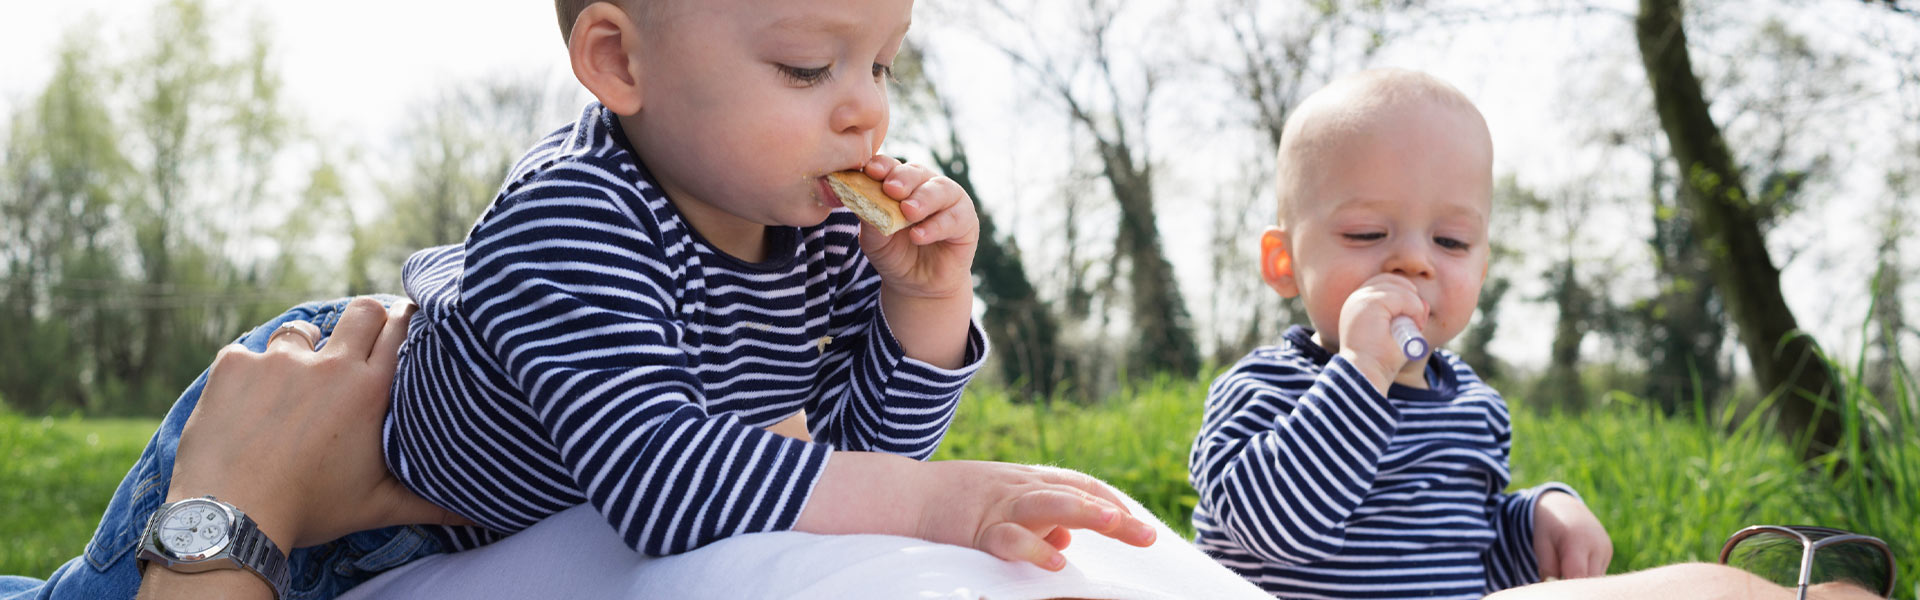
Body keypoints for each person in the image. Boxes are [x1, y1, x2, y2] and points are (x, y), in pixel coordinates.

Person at [379, 0, 1151, 572]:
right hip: (385, 538)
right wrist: (928, 504)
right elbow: (662, 482)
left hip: (559, 535)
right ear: (619, 61)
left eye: (882, 65)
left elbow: (855, 459)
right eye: (808, 67)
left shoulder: (815, 223)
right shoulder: (573, 215)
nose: (869, 111)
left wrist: (925, 303)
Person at [1184, 68, 1613, 598]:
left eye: (1451, 241)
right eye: (1366, 232)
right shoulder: (1263, 388)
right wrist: (1363, 373)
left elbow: (1467, 556)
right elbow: (1275, 530)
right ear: (1284, 261)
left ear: (1481, 269)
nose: (1413, 260)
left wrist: (1537, 522)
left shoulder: (1476, 407)